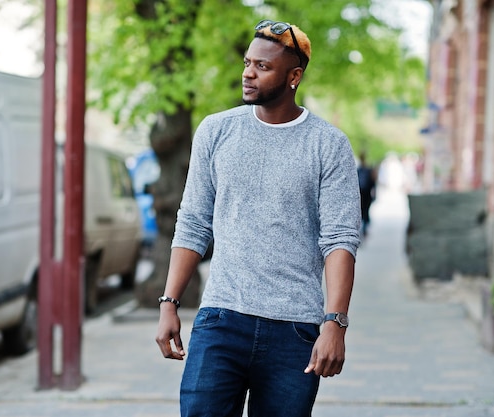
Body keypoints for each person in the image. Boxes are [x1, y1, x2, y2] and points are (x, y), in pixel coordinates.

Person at [155, 19, 361, 417]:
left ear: (293, 76)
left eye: (263, 67)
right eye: (248, 63)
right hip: (221, 319)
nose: (248, 72)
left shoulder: (328, 144)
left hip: (295, 330)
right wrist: (169, 304)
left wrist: (334, 323)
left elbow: (340, 239)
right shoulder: (216, 131)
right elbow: (194, 221)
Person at [357, 151, 377, 237]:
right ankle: (364, 228)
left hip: (361, 193)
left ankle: (363, 228)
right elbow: (373, 183)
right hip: (366, 193)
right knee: (365, 211)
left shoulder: (358, 170)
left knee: (362, 211)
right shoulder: (367, 170)